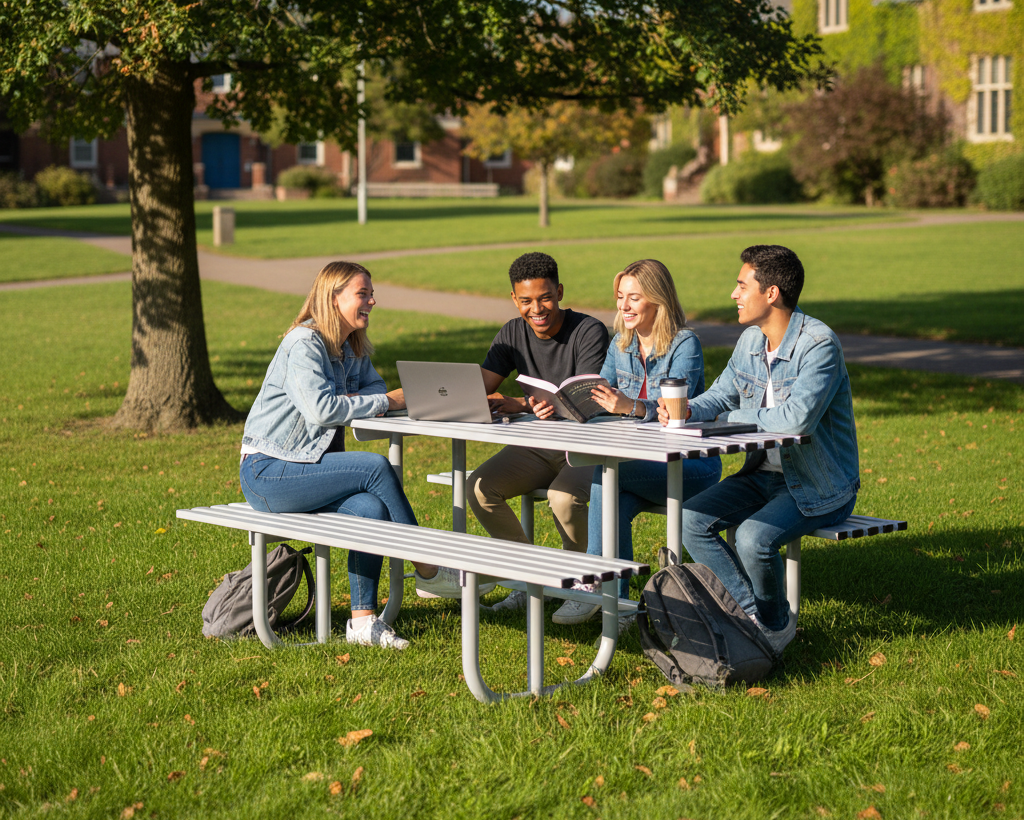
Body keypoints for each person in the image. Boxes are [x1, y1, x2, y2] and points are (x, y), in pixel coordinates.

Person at [239, 261, 492, 651]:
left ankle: (362, 623)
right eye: (363, 294)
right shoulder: (303, 344)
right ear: (333, 297)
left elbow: (376, 391)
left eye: (371, 294)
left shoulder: (350, 347)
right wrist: (377, 402)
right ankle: (427, 567)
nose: (373, 301)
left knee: (370, 509)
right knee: (373, 465)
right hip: (268, 471)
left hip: (308, 469)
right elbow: (324, 410)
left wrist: (371, 400)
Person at [669, 245, 860, 656]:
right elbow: (718, 398)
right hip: (762, 475)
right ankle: (752, 616)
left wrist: (731, 418)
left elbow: (796, 421)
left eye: (742, 285)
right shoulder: (751, 340)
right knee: (689, 519)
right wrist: (670, 410)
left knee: (753, 538)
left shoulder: (818, 345)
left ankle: (774, 629)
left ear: (771, 293)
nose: (733, 294)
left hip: (819, 483)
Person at [550, 259, 722, 625]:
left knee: (603, 478)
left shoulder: (683, 343)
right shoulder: (622, 342)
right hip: (642, 466)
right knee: (616, 499)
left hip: (690, 466)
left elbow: (676, 409)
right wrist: (566, 404)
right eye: (619, 297)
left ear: (657, 300)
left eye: (633, 298)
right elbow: (600, 391)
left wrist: (631, 407)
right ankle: (624, 609)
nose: (623, 306)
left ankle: (596, 580)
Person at [468, 251, 610, 612]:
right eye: (526, 300)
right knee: (481, 488)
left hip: (586, 445)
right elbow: (480, 388)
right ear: (514, 299)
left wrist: (523, 404)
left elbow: (586, 400)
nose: (537, 309)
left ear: (559, 291)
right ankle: (532, 579)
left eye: (545, 297)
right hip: (538, 445)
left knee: (563, 498)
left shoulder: (588, 330)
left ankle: (583, 581)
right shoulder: (512, 332)